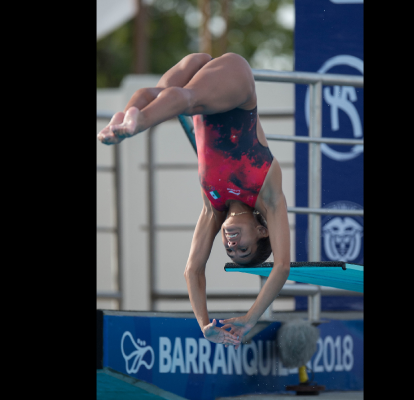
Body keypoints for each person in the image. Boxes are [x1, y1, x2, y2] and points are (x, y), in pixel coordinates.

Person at [98, 53, 290, 350]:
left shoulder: (212, 208)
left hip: (200, 81)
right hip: (236, 86)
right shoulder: (267, 193)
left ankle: (125, 117)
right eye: (244, 248)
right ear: (262, 231)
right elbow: (281, 267)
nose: (231, 245)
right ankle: (137, 124)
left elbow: (192, 269)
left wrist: (204, 324)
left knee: (155, 95)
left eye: (230, 251)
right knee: (184, 100)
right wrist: (251, 318)